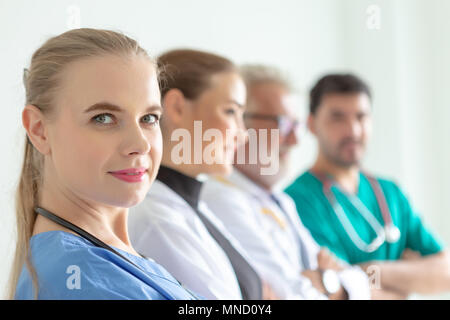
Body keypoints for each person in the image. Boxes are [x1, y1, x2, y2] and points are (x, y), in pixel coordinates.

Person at [10, 28, 198, 300]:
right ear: (39, 130)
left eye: (149, 118)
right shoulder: (79, 281)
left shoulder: (110, 259)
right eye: (103, 118)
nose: (140, 144)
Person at [201, 65, 373, 300]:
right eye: (282, 124)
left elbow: (360, 283)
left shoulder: (280, 201)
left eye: (296, 126)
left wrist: (326, 282)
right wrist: (332, 284)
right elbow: (291, 296)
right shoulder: (220, 200)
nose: (294, 140)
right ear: (240, 122)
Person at [285, 73, 450, 297]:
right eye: (337, 118)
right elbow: (332, 290)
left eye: (361, 117)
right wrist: (408, 282)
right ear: (312, 125)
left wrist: (369, 272)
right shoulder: (297, 201)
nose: (353, 130)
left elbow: (445, 274)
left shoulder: (390, 193)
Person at [128, 49, 273, 300]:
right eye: (230, 112)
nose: (242, 133)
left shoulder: (193, 204)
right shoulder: (157, 220)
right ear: (176, 108)